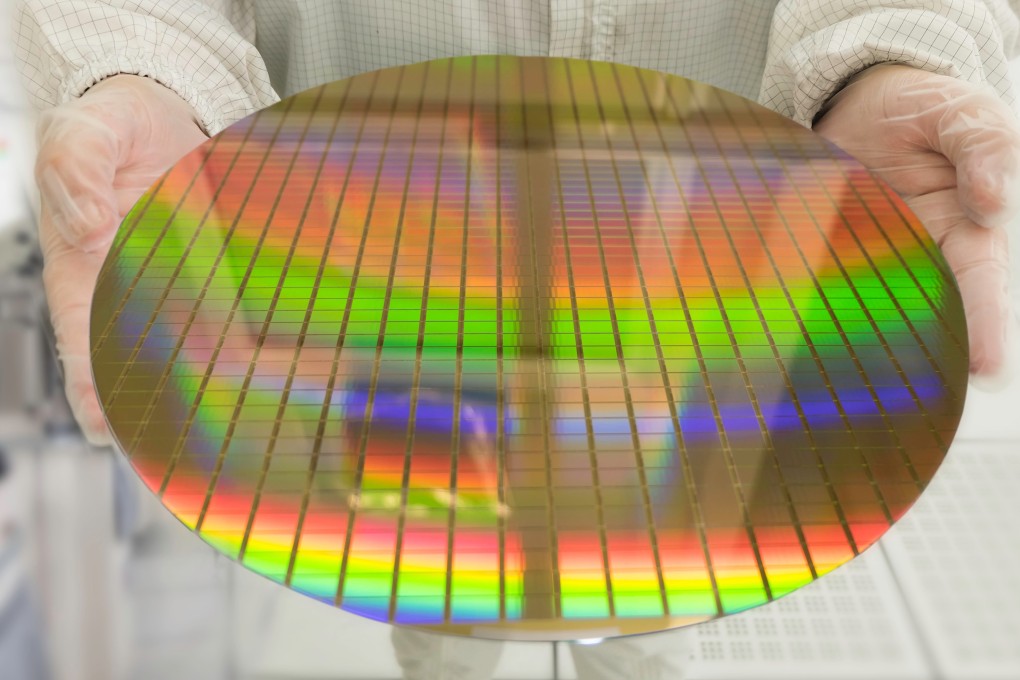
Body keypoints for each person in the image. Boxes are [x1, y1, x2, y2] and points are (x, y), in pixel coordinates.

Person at [11, 1, 1020, 679]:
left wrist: (894, 46)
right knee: (436, 570)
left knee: (662, 586)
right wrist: (139, 63)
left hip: (703, 272)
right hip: (391, 278)